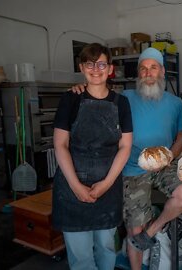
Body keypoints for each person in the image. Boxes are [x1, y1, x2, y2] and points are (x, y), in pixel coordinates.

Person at [71, 47, 182, 270]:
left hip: (163, 165)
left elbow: (181, 136)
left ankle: (153, 230)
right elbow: (97, 93)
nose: (148, 72)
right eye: (143, 68)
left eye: (153, 67)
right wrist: (82, 89)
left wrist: (169, 156)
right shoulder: (123, 98)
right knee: (135, 227)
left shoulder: (176, 103)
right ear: (138, 73)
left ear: (162, 71)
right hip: (132, 167)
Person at [52, 43, 133, 270]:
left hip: (108, 187)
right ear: (82, 67)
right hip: (71, 187)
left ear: (110, 69)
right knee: (81, 255)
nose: (95, 69)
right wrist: (76, 186)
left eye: (101, 64)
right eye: (90, 63)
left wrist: (106, 184)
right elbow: (60, 145)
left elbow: (125, 146)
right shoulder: (70, 99)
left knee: (107, 247)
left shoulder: (121, 103)